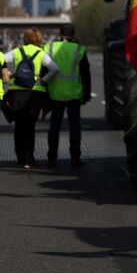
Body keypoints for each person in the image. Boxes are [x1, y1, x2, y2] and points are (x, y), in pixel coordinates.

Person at [3, 27, 58, 168]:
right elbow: (54, 69)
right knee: (30, 127)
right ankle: (29, 159)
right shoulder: (41, 53)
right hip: (34, 95)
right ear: (39, 39)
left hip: (16, 94)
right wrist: (44, 80)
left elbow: (1, 59)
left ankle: (20, 158)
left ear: (25, 38)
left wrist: (8, 74)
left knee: (19, 127)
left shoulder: (17, 51)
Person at [45, 24, 91, 167]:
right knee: (74, 128)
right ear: (73, 34)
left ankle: (52, 158)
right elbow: (85, 74)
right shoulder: (79, 50)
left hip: (55, 94)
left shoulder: (49, 48)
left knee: (54, 127)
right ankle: (75, 157)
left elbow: (43, 72)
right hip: (74, 95)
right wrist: (86, 94)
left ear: (60, 33)